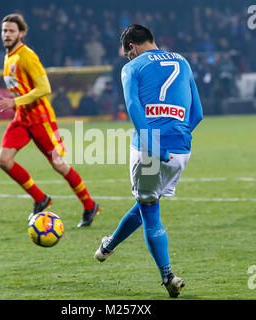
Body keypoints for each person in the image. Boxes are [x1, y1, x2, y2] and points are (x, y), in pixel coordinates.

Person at [94, 24, 203, 298]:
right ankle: (108, 245)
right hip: (182, 150)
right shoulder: (182, 61)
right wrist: (178, 137)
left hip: (149, 149)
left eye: (127, 53)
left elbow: (132, 105)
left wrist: (153, 144)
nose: (128, 58)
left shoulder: (132, 67)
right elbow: (198, 113)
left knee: (151, 213)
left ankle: (168, 276)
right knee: (146, 202)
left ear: (132, 46)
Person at [0, 14, 100, 227]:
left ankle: (90, 205)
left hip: (40, 120)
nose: (7, 34)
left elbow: (45, 88)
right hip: (21, 119)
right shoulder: (8, 57)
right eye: (4, 31)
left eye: (11, 31)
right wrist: (17, 106)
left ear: (21, 33)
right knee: (4, 161)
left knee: (60, 166)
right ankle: (40, 198)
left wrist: (15, 102)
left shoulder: (27, 56)